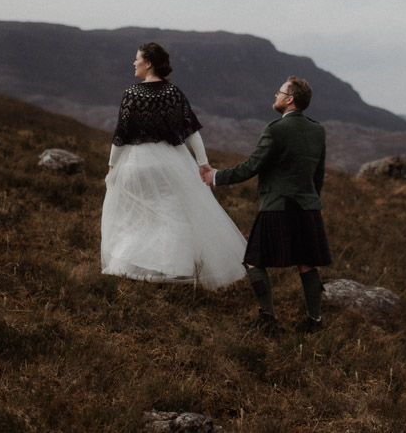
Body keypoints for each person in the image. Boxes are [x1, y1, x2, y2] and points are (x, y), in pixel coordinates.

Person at [101, 43, 246, 290]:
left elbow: (121, 134)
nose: (134, 63)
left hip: (137, 163)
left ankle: (134, 266)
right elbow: (191, 131)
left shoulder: (132, 93)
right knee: (172, 215)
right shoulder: (173, 93)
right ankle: (172, 268)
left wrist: (112, 165)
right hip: (170, 163)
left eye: (137, 59)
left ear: (148, 63)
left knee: (138, 216)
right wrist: (202, 162)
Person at [200, 76, 331, 332]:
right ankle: (315, 321)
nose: (276, 95)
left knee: (254, 260)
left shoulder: (275, 129)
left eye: (279, 92)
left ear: (289, 99)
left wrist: (215, 176)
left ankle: (267, 319)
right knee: (307, 262)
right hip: (308, 208)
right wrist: (310, 199)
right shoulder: (318, 130)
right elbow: (319, 174)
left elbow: (252, 166)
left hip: (277, 206)